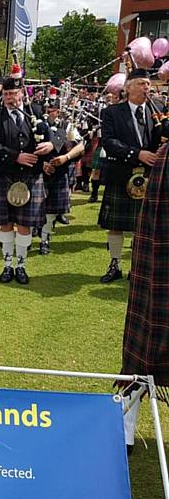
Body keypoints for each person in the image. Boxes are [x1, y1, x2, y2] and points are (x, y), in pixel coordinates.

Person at [119, 138, 169, 453]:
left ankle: (124, 431)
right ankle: (123, 430)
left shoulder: (165, 153)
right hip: (159, 265)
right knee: (144, 350)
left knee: (143, 350)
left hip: (157, 266)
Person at [0, 65, 53, 285]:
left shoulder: (36, 111)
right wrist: (16, 156)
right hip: (4, 176)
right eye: (5, 94)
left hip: (30, 177)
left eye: (13, 93)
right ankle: (7, 266)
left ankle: (21, 266)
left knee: (24, 225)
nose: (9, 98)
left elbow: (57, 132)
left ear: (21, 93)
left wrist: (51, 144)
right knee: (5, 224)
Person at [97, 69, 159, 283]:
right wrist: (137, 154)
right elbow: (109, 142)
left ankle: (137, 268)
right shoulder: (112, 112)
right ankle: (115, 264)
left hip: (151, 176)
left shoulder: (157, 109)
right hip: (121, 173)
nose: (146, 88)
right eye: (142, 83)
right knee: (116, 225)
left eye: (148, 84)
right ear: (128, 87)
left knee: (143, 226)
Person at [40, 97, 85, 254]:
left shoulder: (67, 126)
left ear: (58, 112)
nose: (48, 113)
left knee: (51, 211)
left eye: (52, 111)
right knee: (35, 207)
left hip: (59, 173)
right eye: (46, 110)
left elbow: (80, 147)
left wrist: (65, 157)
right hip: (38, 172)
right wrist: (41, 164)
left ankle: (44, 239)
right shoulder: (37, 125)